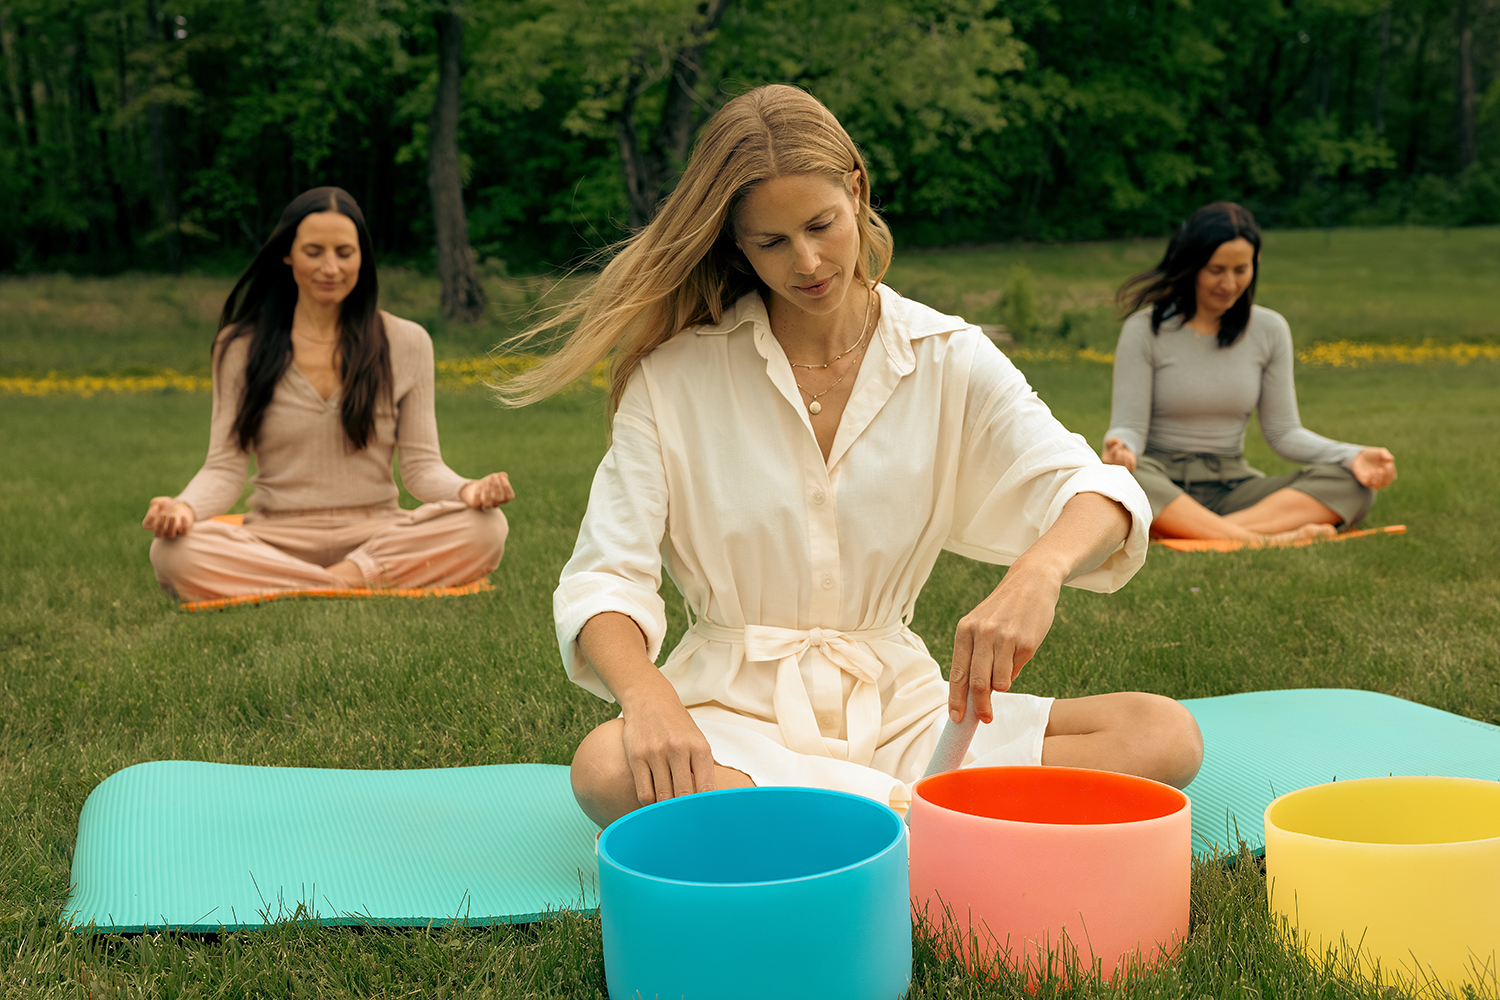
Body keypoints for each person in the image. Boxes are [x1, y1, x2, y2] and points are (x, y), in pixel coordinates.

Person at [502, 85, 1202, 829]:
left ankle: (837, 830)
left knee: (1161, 735)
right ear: (736, 243)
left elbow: (1094, 489)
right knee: (606, 767)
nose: (806, 261)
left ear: (857, 191)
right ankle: (928, 824)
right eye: (770, 242)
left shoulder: (948, 357)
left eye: (821, 224)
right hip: (731, 719)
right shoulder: (673, 377)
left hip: (908, 716)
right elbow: (606, 577)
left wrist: (1039, 571)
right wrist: (649, 701)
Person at [144, 187, 512, 602]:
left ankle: (308, 583)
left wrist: (469, 491)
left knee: (486, 527)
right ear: (288, 254)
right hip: (275, 537)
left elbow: (422, 466)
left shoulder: (407, 341)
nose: (331, 267)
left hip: (378, 533)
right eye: (314, 251)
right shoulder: (239, 347)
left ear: (362, 257)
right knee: (173, 550)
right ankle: (351, 581)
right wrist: (184, 508)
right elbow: (224, 468)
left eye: (344, 252)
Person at [1101, 202, 1397, 545]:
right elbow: (1130, 428)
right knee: (1125, 479)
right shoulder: (1144, 330)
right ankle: (1262, 539)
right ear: (1192, 265)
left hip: (1233, 486)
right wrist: (1120, 447)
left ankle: (1197, 532)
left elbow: (1284, 431)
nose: (1229, 283)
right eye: (1216, 270)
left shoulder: (1269, 329)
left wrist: (1353, 456)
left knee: (1352, 486)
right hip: (1161, 480)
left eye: (1241, 270)